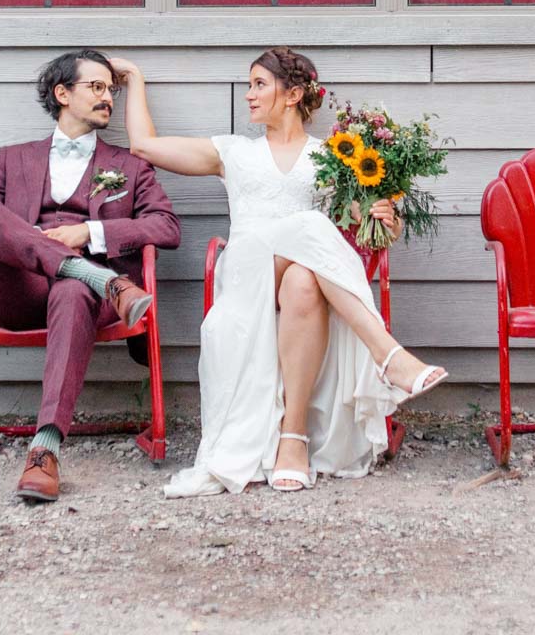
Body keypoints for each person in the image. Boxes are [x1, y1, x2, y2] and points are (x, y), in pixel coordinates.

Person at [105, 48, 447, 497]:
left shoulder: (331, 159)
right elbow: (144, 146)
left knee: (304, 279)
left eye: (259, 85)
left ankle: (294, 438)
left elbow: (372, 235)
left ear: (294, 94)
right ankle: (387, 354)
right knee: (310, 223)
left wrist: (387, 219)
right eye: (250, 85)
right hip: (247, 274)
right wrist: (134, 78)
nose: (248, 95)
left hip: (299, 283)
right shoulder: (232, 152)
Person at [0, 49, 181, 504]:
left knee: (74, 288)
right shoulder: (12, 159)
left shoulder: (130, 165)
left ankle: (44, 450)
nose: (107, 99)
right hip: (19, 291)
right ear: (62, 93)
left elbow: (167, 227)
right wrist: (38, 242)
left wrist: (90, 231)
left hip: (86, 300)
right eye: (95, 87)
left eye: (110, 90)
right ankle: (94, 276)